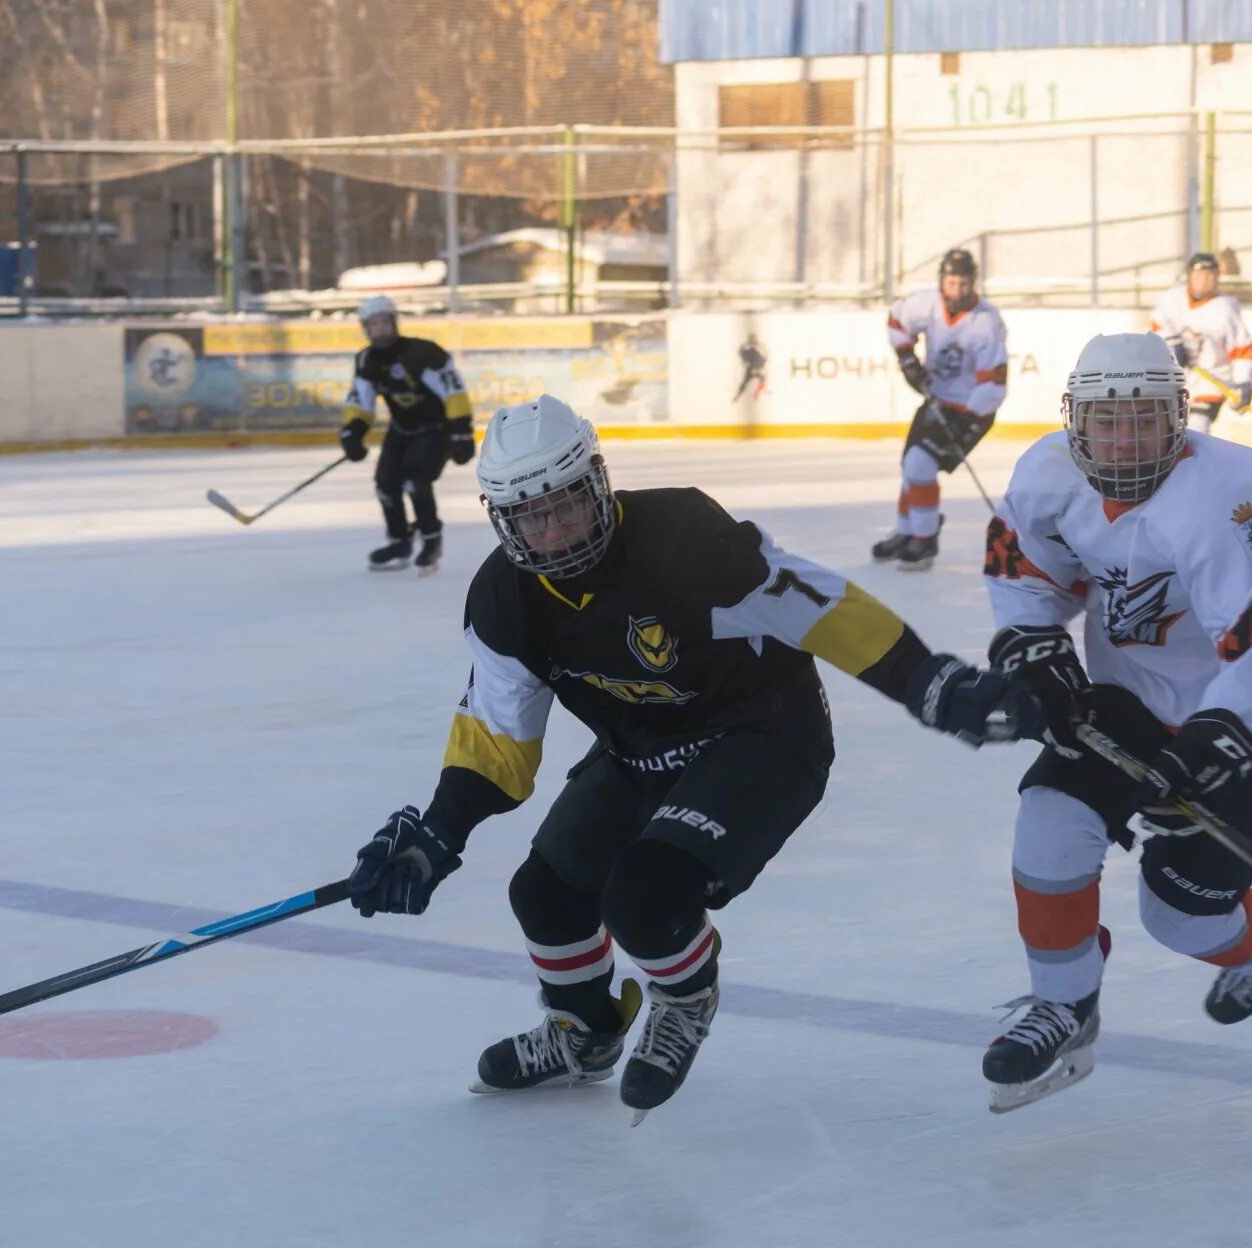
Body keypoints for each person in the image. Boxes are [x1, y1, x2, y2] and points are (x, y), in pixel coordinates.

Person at [343, 394, 1043, 1121]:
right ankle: (583, 1033)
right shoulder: (503, 599)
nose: (554, 532)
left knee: (647, 898)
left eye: (568, 505)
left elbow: (816, 605)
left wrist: (923, 679)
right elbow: (496, 739)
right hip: (637, 753)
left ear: (598, 483)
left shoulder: (684, 537)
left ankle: (685, 994)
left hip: (765, 737)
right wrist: (436, 835)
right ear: (503, 519)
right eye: (531, 516)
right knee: (545, 895)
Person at [977, 332, 1252, 1114]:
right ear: (1077, 420)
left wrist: (1215, 742)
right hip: (1128, 701)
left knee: (1180, 918)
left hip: (1250, 727)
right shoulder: (1048, 473)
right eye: (1108, 420)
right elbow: (1026, 569)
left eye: (1145, 418)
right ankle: (1064, 1005)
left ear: (1179, 416)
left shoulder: (1239, 499)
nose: (1126, 438)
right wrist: (1033, 642)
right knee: (1048, 821)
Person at [871, 248, 1009, 571]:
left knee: (919, 465)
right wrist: (907, 357)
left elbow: (994, 383)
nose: (957, 290)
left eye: (963, 283)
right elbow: (896, 319)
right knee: (911, 466)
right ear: (942, 282)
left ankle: (925, 539)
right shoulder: (927, 303)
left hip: (970, 410)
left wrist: (968, 422)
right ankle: (907, 532)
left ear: (972, 283)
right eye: (951, 282)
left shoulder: (986, 322)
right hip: (937, 400)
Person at [340, 294, 477, 572]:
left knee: (415, 480)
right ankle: (400, 540)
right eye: (373, 324)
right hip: (401, 429)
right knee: (385, 483)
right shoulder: (367, 360)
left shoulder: (423, 353)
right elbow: (361, 399)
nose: (379, 328)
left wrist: (462, 432)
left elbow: (453, 391)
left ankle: (431, 539)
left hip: (437, 429)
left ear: (394, 322)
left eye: (383, 322)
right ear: (365, 328)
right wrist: (353, 432)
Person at [1149, 251, 1252, 434]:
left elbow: (1243, 350)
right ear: (1189, 275)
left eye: (1210, 274)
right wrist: (1172, 344)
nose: (1204, 280)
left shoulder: (1225, 308)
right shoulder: (1173, 299)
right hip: (1177, 380)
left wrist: (1244, 384)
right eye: (1199, 274)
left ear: (1217, 278)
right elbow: (1157, 326)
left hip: (1212, 381)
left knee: (1196, 434)